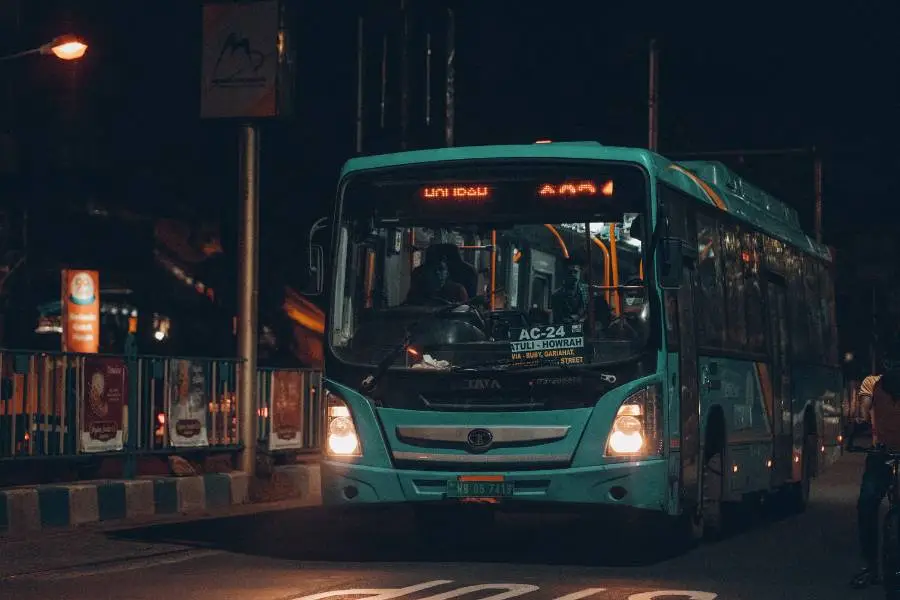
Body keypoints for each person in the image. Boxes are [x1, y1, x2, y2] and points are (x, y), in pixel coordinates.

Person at [852, 369, 900, 589]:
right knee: (866, 503)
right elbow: (864, 407)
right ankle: (871, 567)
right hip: (883, 455)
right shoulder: (871, 383)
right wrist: (861, 416)